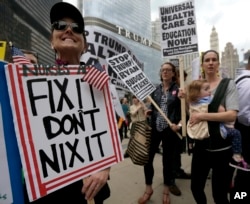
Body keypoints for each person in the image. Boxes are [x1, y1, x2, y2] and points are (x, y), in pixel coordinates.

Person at [24, 2, 111, 203]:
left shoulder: (99, 82)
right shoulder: (34, 84)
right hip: (49, 188)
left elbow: (109, 131)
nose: (69, 30)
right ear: (51, 41)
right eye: (60, 25)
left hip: (89, 187)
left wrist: (104, 167)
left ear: (84, 45)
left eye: (77, 28)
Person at [188, 50, 238, 204]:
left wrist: (202, 116)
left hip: (222, 149)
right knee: (195, 188)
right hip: (201, 147)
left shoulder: (228, 84)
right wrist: (185, 100)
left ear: (218, 63)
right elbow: (191, 115)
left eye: (214, 60)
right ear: (202, 64)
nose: (210, 62)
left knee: (220, 195)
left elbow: (231, 115)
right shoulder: (196, 86)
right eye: (207, 60)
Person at [138, 62, 182, 204]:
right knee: (147, 159)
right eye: (163, 70)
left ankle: (166, 190)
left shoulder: (179, 91)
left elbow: (185, 113)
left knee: (167, 162)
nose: (165, 72)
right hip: (155, 129)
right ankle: (148, 188)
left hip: (170, 130)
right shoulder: (155, 89)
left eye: (168, 70)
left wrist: (179, 125)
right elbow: (153, 106)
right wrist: (149, 111)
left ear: (173, 73)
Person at [187, 79, 250, 171]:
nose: (209, 91)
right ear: (197, 92)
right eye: (206, 89)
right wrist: (217, 103)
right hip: (215, 131)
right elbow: (222, 111)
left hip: (198, 132)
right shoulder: (209, 99)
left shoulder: (193, 102)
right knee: (236, 133)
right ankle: (237, 156)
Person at [231, 56, 250, 203]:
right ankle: (238, 198)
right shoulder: (247, 82)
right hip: (245, 134)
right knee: (245, 174)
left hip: (241, 134)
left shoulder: (241, 80)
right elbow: (243, 114)